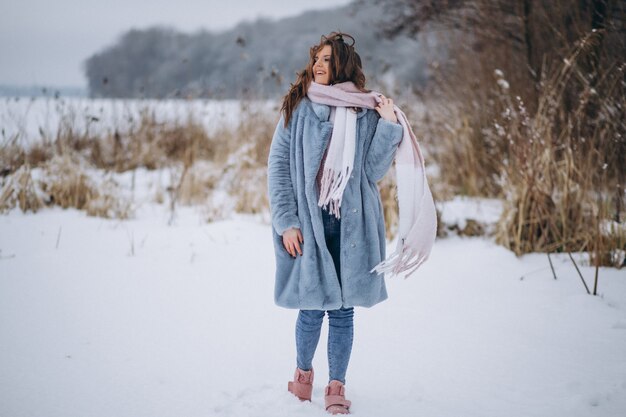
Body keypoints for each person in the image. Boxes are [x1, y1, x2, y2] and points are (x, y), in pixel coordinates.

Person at [267, 31, 423, 415]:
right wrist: (287, 221)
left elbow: (371, 171)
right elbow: (278, 169)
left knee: (342, 311)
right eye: (315, 59)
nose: (317, 66)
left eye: (325, 60)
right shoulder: (299, 108)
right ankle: (303, 376)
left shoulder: (364, 111)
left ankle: (336, 386)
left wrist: (388, 126)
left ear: (341, 65)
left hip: (353, 225)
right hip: (309, 223)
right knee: (310, 307)